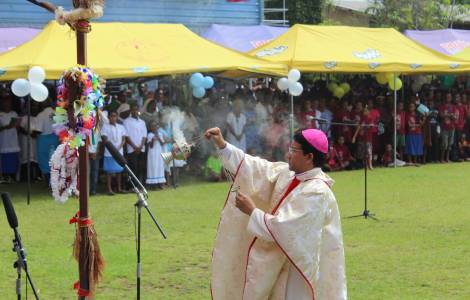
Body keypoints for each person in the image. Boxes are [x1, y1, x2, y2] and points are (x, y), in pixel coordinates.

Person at [206, 127, 347, 300]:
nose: (288, 155)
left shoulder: (317, 192)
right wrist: (222, 144)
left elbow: (287, 229)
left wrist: (252, 211)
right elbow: (256, 167)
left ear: (309, 157)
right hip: (277, 261)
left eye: (294, 151)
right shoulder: (289, 174)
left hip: (296, 268)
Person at [101, 111, 127, 195]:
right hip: (109, 152)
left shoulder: (121, 127)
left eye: (115, 116)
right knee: (109, 172)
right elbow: (105, 139)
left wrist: (118, 147)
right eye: (111, 116)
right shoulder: (105, 127)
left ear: (117, 117)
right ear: (109, 117)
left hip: (119, 152)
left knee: (119, 171)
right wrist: (113, 149)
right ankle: (109, 189)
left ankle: (119, 188)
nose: (113, 118)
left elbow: (123, 139)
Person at [146, 120, 166, 189]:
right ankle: (153, 184)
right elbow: (150, 146)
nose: (154, 127)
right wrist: (153, 139)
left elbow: (162, 143)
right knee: (153, 167)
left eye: (155, 125)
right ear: (150, 127)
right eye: (153, 126)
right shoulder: (149, 135)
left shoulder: (160, 134)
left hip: (159, 152)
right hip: (152, 154)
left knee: (159, 167)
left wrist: (158, 137)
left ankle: (160, 183)